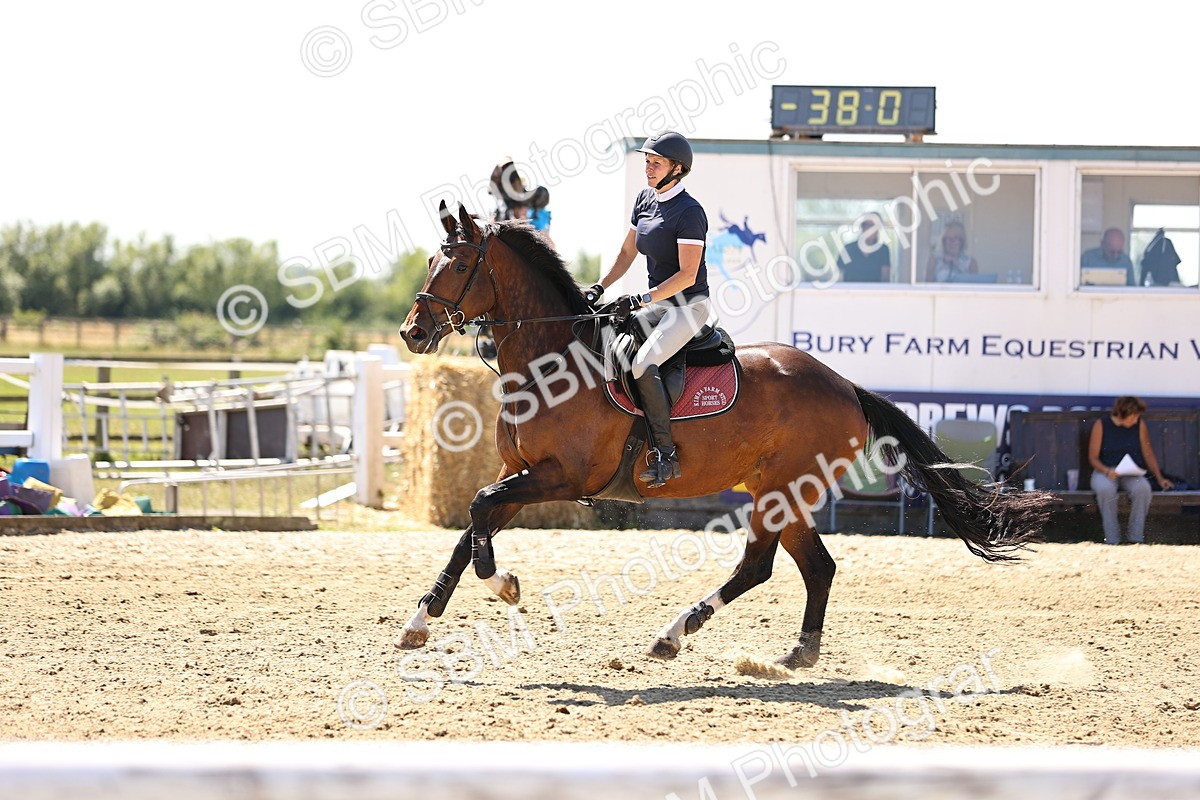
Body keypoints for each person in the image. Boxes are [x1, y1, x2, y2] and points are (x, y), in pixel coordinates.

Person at [583, 131, 711, 488]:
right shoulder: (644, 199)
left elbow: (687, 275)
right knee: (604, 338)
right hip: (657, 305)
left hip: (688, 307)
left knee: (642, 363)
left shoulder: (689, 212)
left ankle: (666, 456)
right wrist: (600, 286)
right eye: (646, 161)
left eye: (656, 163)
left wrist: (641, 299)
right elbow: (627, 254)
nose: (648, 168)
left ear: (677, 169)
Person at [1087, 396, 1174, 545]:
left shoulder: (1139, 425)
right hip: (1105, 471)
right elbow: (1093, 458)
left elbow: (1148, 453)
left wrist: (1160, 478)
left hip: (1131, 472)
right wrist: (1107, 471)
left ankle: (1135, 539)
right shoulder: (1101, 425)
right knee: (1105, 489)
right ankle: (1112, 540)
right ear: (1122, 413)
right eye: (1133, 417)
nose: (1135, 420)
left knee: (1143, 488)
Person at [837, 213, 891, 282]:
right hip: (850, 291)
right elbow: (838, 278)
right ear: (862, 227)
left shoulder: (883, 250)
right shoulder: (848, 249)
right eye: (868, 225)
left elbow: (885, 279)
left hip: (875, 292)